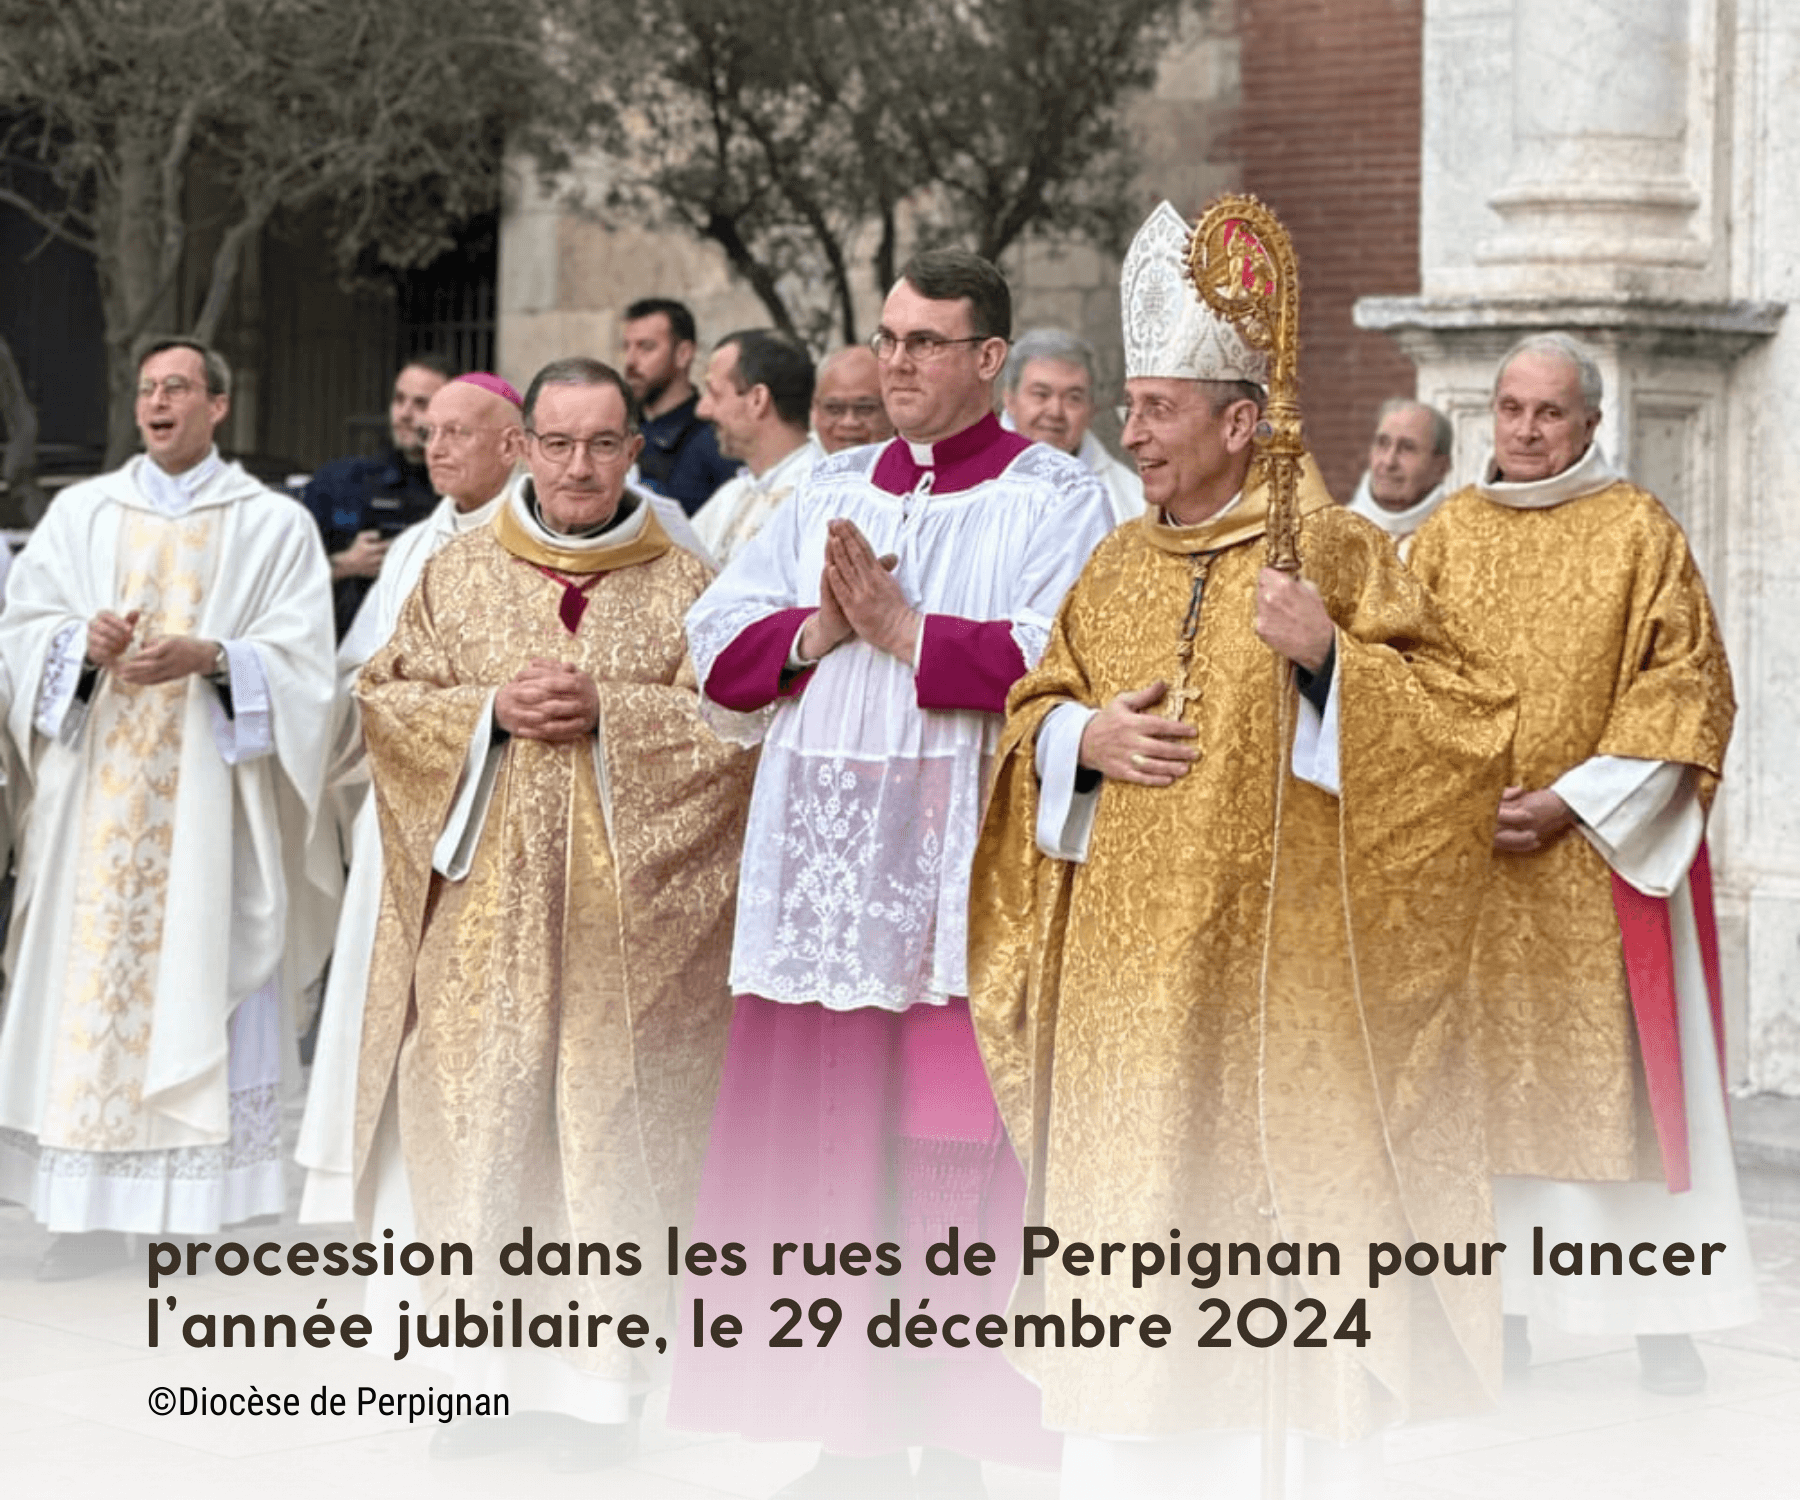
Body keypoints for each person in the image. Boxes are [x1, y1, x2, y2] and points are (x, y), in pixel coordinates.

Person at [967, 200, 1516, 1498]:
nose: (1132, 432)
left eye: (1158, 409)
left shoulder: (1327, 546)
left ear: (1238, 421)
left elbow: (1468, 724)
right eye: (1133, 407)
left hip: (1282, 986)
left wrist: (1330, 660)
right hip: (1118, 988)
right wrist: (1078, 738)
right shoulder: (1111, 563)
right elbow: (1036, 702)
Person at [673, 249, 1115, 1498]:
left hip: (956, 869)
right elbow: (714, 639)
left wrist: (905, 633)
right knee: (826, 1146)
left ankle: (963, 1425)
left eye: (928, 342)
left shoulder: (1055, 497)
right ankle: (842, 1416)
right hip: (824, 870)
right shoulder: (823, 488)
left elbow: (1061, 654)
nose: (897, 362)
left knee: (951, 1153)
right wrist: (819, 628)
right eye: (888, 337)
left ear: (989, 360)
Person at [353, 356, 755, 1470]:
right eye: (559, 442)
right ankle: (469, 1381)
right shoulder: (455, 572)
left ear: (637, 451)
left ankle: (594, 1393)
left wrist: (615, 716)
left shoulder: (690, 585)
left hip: (628, 944)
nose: (580, 467)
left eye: (603, 444)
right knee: (479, 1133)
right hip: (483, 926)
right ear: (525, 447)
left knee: (603, 1140)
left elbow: (736, 734)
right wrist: (487, 710)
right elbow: (384, 700)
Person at [1407, 332, 1757, 1395]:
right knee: (1484, 1102)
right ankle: (1497, 1315)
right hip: (1475, 866)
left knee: (1628, 1100)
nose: (1524, 429)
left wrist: (1572, 800)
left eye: (1549, 412)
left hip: (1596, 862)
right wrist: (1464, 794)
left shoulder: (1637, 531)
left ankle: (1662, 1323)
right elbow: (1399, 682)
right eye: (1510, 408)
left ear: (1591, 423)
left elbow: (1687, 688)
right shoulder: (1447, 534)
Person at [0, 336, 335, 1279]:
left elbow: (309, 663)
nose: (159, 402)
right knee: (90, 990)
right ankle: (85, 1209)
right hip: (93, 817)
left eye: (178, 387)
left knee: (202, 961)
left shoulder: (272, 525)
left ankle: (206, 1200)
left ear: (217, 407)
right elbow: (20, 632)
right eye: (148, 389)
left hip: (209, 809)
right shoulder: (80, 513)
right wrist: (76, 642)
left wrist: (216, 657)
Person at [294, 372, 525, 1224]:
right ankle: (395, 1197)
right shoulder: (419, 546)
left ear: (513, 444)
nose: (435, 446)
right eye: (430, 431)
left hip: (501, 816)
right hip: (404, 821)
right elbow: (360, 676)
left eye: (458, 431)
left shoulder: (547, 541)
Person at [302, 353, 452, 638]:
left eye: (421, 404)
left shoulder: (461, 495)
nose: (404, 414)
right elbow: (285, 578)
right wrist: (345, 564)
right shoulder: (340, 482)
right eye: (399, 400)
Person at [691, 329, 819, 564]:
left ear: (758, 400)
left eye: (714, 394)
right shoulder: (731, 495)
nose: (702, 410)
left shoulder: (819, 497)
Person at [1001, 326, 1143, 525]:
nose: (1055, 412)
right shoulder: (968, 482)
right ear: (1009, 399)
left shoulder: (1132, 498)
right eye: (1041, 394)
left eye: (1073, 398)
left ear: (1093, 407)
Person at [621, 297, 739, 513]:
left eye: (646, 347)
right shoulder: (620, 429)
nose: (630, 361)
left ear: (683, 354)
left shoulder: (715, 439)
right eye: (626, 347)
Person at [1345, 397, 1453, 548]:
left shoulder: (1462, 542)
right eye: (1382, 443)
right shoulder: (1330, 538)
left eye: (1408, 448)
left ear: (1441, 467)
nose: (1389, 462)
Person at [810, 344, 894, 453]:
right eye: (834, 409)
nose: (849, 422)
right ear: (815, 410)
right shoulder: (801, 468)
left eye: (864, 408)